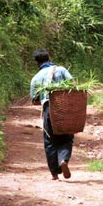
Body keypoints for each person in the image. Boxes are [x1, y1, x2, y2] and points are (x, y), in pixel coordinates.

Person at [30, 49, 74, 180]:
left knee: (50, 141)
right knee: (66, 137)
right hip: (65, 108)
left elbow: (34, 100)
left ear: (37, 63)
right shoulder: (61, 70)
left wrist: (45, 99)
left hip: (49, 109)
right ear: (49, 58)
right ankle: (64, 160)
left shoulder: (36, 78)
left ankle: (54, 174)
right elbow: (73, 85)